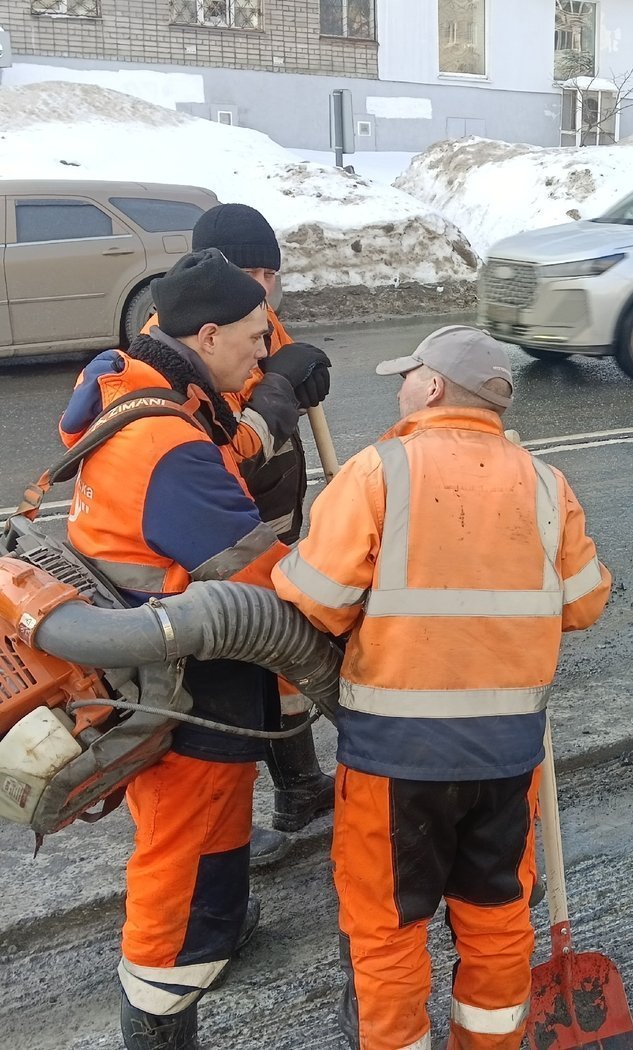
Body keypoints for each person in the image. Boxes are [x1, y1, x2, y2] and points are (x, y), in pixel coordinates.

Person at [273, 325, 611, 1050]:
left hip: (396, 762)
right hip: (505, 759)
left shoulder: (379, 472)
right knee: (495, 922)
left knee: (388, 934)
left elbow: (315, 600)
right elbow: (584, 603)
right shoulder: (547, 484)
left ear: (430, 387)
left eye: (408, 375)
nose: (401, 386)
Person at [61, 249, 290, 1049]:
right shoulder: (169, 447)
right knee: (178, 844)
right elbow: (263, 580)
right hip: (180, 676)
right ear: (208, 332)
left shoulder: (136, 382)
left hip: (166, 662)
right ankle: (157, 1016)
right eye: (258, 338)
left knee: (218, 813)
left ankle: (215, 930)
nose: (264, 352)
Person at [146, 202, 336, 866]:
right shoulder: (179, 349)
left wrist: (296, 372)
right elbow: (231, 444)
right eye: (247, 271)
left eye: (268, 272)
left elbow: (274, 375)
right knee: (243, 674)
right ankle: (220, 831)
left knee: (277, 674)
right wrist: (279, 391)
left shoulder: (254, 318)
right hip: (223, 536)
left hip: (273, 520)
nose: (260, 285)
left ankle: (301, 788)